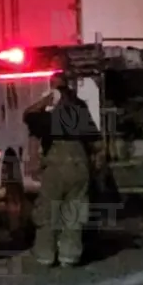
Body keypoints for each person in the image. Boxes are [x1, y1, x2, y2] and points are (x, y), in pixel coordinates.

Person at [23, 70, 102, 267]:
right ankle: (70, 255)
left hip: (56, 164)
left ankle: (45, 255)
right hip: (79, 162)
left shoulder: (49, 114)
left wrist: (47, 100)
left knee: (49, 210)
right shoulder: (80, 108)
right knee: (74, 211)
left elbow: (28, 115)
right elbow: (96, 143)